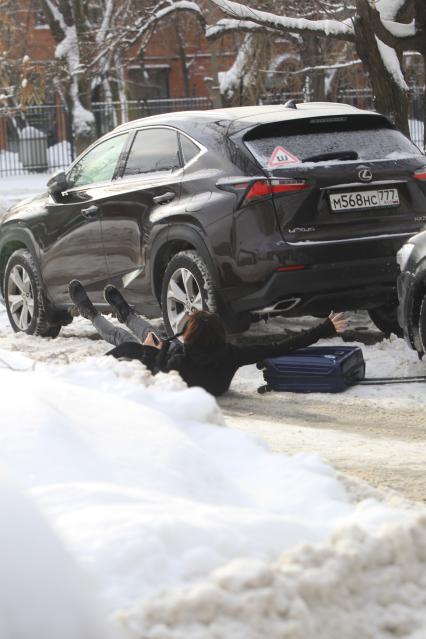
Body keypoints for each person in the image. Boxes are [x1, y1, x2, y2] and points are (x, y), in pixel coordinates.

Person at [68, 280, 348, 397]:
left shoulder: (178, 361)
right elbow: (280, 346)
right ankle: (127, 312)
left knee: (125, 340)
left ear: (190, 335)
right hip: (188, 362)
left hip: (168, 364)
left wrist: (156, 351)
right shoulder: (231, 354)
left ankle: (92, 315)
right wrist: (323, 329)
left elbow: (161, 370)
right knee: (152, 335)